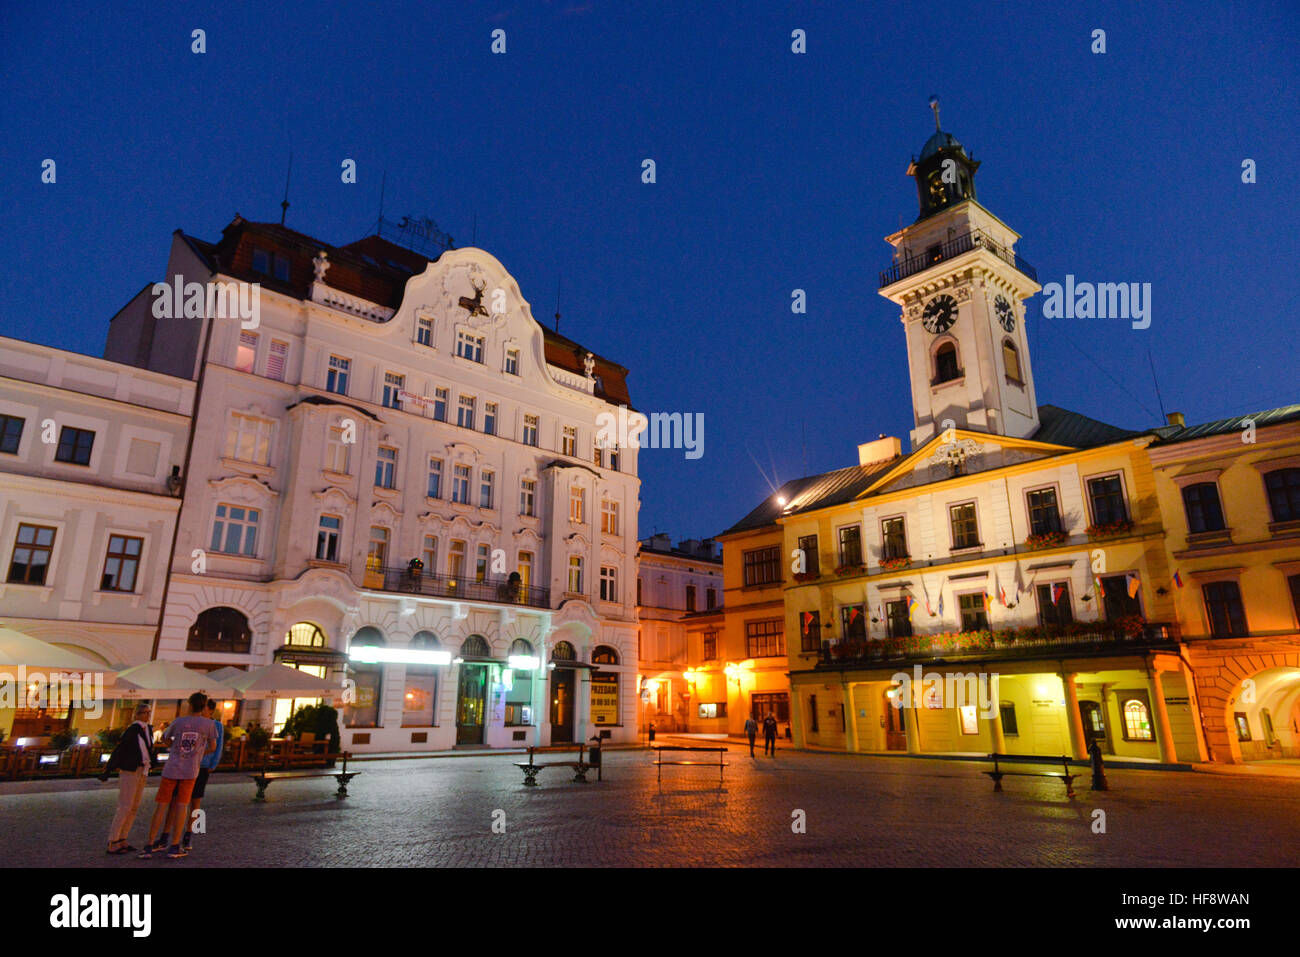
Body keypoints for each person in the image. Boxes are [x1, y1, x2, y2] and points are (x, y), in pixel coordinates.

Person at [138, 692, 215, 860]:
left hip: (171, 768)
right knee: (182, 806)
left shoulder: (179, 721)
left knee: (162, 806)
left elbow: (165, 738)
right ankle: (174, 845)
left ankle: (149, 845)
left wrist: (175, 747)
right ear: (204, 706)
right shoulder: (209, 725)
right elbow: (213, 746)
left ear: (189, 704)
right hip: (190, 771)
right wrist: (199, 752)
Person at [102, 703, 159, 854]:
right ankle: (113, 840)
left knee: (133, 806)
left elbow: (147, 748)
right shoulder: (132, 730)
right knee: (125, 805)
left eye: (148, 712)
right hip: (131, 769)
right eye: (144, 712)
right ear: (137, 714)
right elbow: (120, 750)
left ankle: (122, 838)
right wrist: (108, 769)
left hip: (142, 769)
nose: (147, 715)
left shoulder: (147, 730)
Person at [183, 698, 224, 852]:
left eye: (205, 708)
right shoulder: (195, 722)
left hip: (203, 765)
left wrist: (213, 765)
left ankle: (190, 832)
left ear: (211, 710)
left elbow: (218, 747)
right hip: (189, 765)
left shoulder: (217, 725)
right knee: (182, 800)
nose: (202, 710)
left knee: (196, 800)